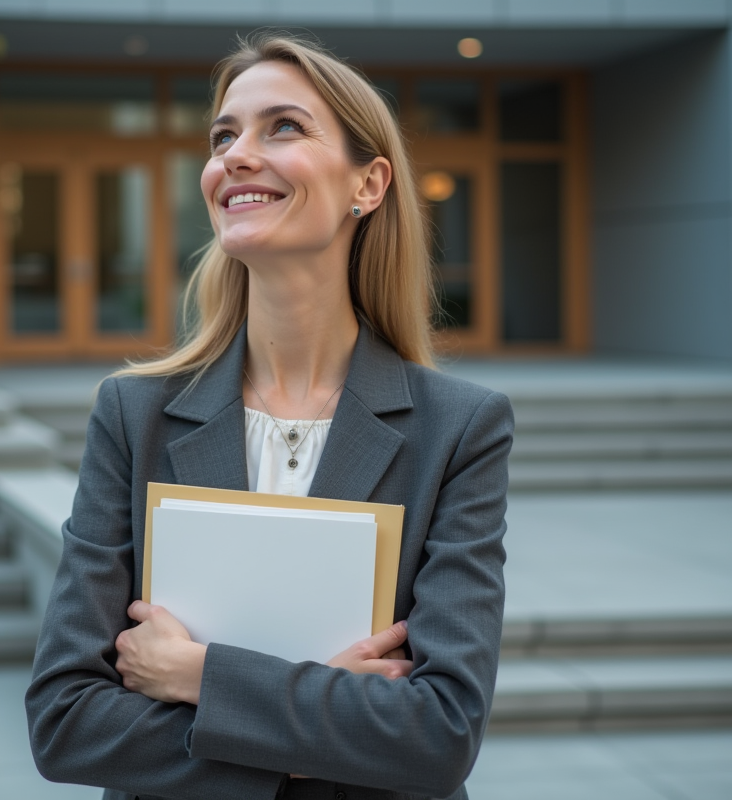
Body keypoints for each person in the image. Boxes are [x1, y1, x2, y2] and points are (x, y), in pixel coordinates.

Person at [26, 32, 513, 800]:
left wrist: (197, 675)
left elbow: (438, 734)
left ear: (369, 184)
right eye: (224, 136)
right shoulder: (134, 415)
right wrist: (318, 725)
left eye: (282, 127)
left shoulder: (459, 429)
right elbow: (65, 722)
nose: (235, 156)